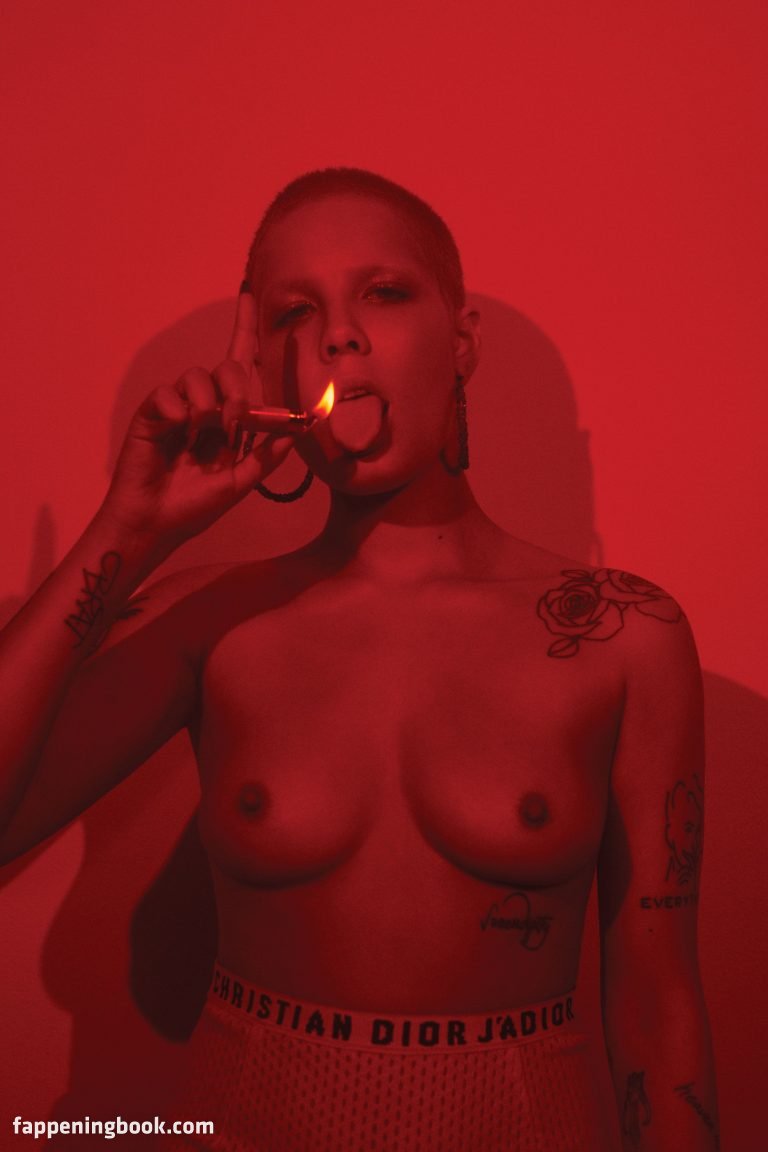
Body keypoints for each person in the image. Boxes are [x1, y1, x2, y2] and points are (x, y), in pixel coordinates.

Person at [0, 168, 718, 1151]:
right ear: (270, 370)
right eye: (295, 312)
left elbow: (656, 1002)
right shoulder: (214, 620)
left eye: (383, 292)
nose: (339, 334)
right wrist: (129, 528)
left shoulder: (625, 635)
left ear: (462, 341)